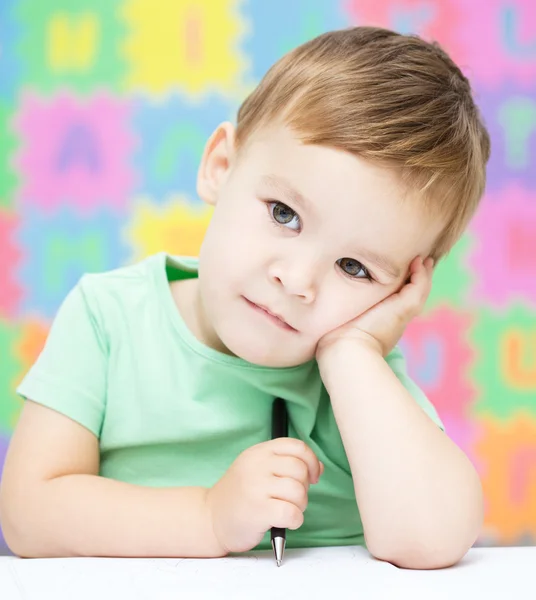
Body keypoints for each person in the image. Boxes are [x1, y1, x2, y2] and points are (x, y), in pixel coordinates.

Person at [0, 26, 490, 569]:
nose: (298, 281)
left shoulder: (357, 371)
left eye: (355, 268)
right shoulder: (109, 318)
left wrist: (350, 356)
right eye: (285, 213)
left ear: (402, 290)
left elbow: (431, 541)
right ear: (221, 168)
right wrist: (207, 517)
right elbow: (28, 513)